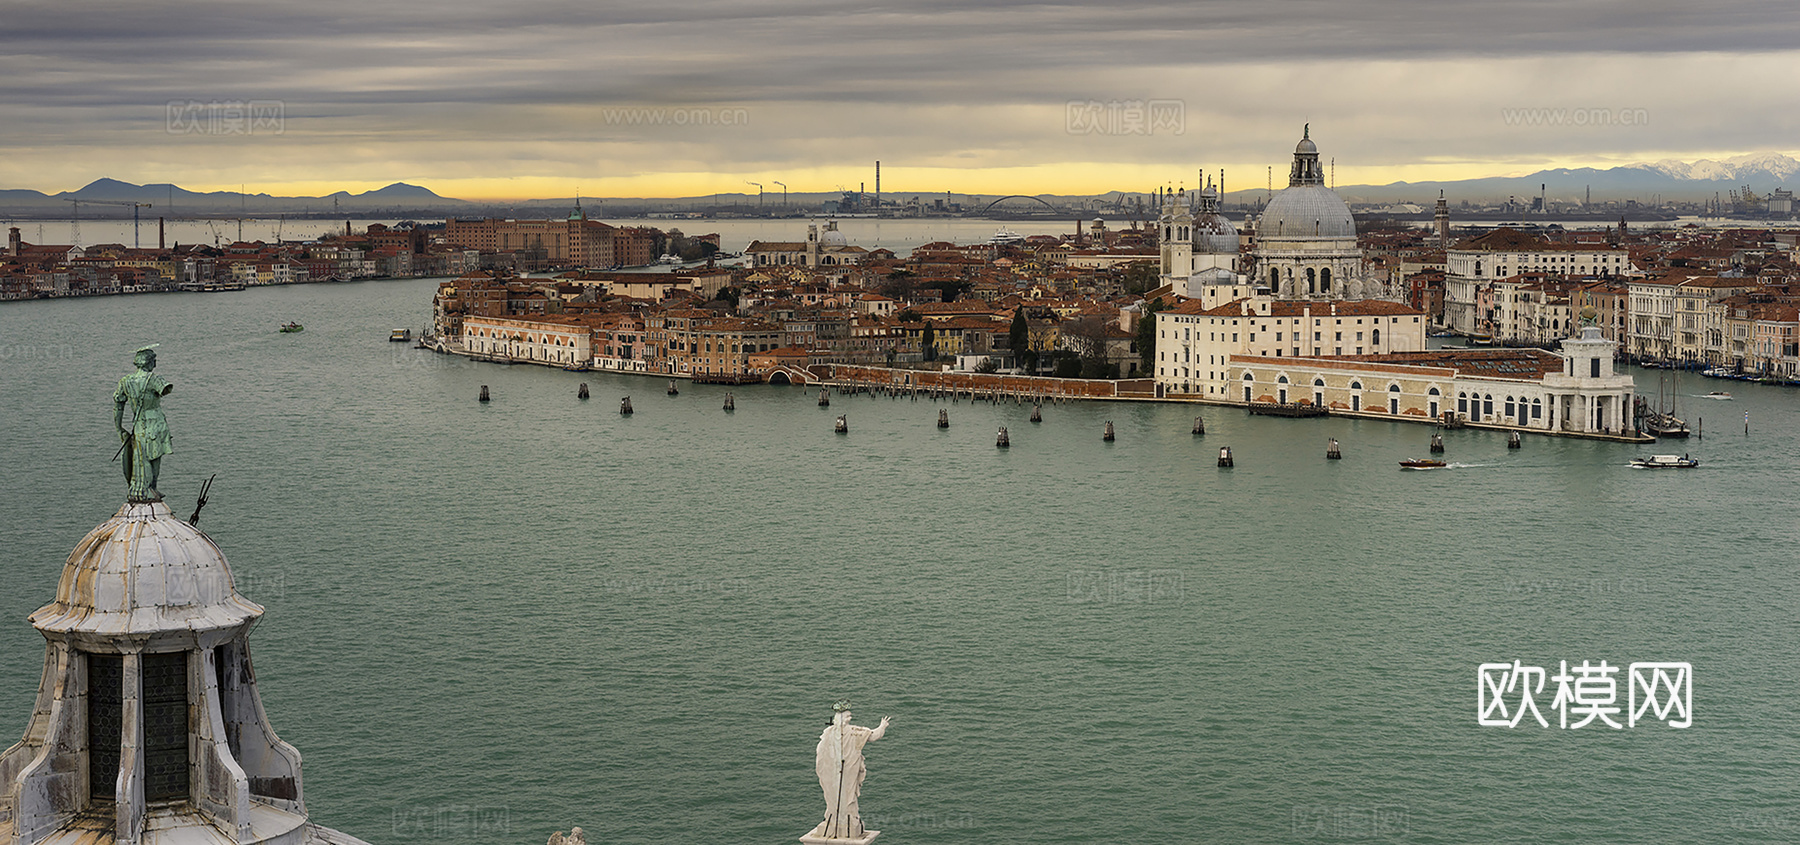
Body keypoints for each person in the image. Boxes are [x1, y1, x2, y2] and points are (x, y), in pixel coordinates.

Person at [812, 702, 890, 840]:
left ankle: (835, 819)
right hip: (847, 769)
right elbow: (873, 735)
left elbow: (820, 753)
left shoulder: (828, 733)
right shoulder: (853, 731)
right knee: (848, 795)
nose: (850, 718)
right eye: (848, 716)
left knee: (836, 794)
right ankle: (847, 820)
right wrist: (882, 726)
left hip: (833, 771)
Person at [114, 345, 173, 500]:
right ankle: (151, 487)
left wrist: (119, 427)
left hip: (139, 424)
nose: (155, 364)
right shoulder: (154, 379)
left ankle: (140, 489)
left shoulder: (125, 381)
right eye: (154, 361)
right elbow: (165, 389)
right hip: (156, 423)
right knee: (154, 457)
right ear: (148, 362)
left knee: (140, 458)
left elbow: (118, 406)